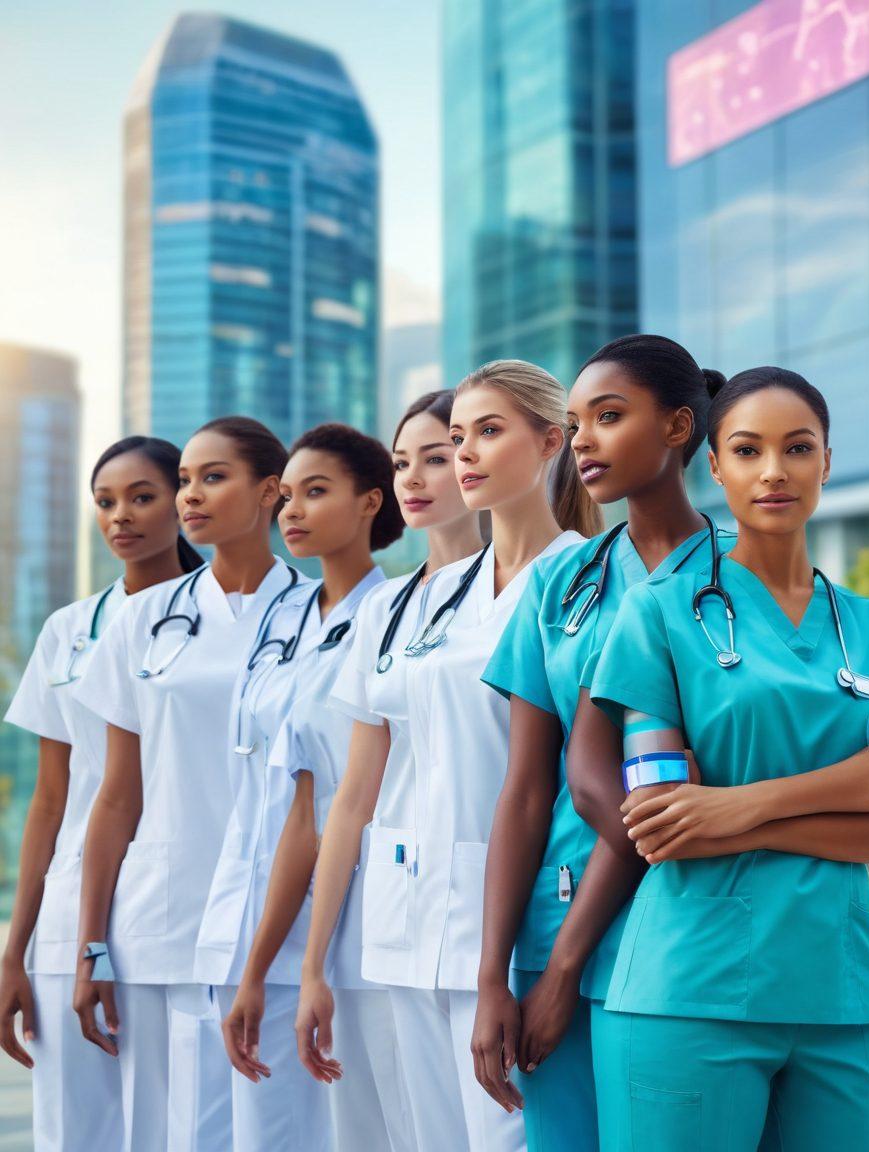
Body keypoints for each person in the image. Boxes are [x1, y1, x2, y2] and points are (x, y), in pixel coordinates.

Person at [588, 368, 869, 1150]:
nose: (774, 472)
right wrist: (856, 786)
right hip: (688, 990)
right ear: (714, 466)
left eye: (797, 449)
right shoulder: (658, 612)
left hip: (844, 998)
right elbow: (660, 824)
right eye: (747, 449)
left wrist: (735, 806)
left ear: (827, 461)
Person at [297, 359, 591, 1151]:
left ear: (551, 442)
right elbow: (356, 795)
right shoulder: (422, 598)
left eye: (484, 434)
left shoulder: (586, 581)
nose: (462, 455)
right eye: (455, 437)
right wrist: (317, 962)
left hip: (517, 923)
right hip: (400, 925)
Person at [473, 335, 734, 1151]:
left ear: (679, 427)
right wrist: (494, 979)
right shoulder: (559, 584)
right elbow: (524, 791)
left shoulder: (747, 579)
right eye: (576, 422)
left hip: (696, 931)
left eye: (609, 417)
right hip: (554, 937)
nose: (583, 440)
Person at [234, 390, 482, 1149]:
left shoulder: (530, 587)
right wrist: (308, 967)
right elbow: (333, 804)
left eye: (436, 458)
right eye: (405, 460)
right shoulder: (384, 614)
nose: (418, 477)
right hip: (372, 925)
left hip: (472, 913)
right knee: (385, 1133)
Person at [71, 417, 296, 1152]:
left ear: (271, 492)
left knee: (284, 1132)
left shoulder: (324, 614)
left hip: (282, 923)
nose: (191, 495)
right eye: (187, 480)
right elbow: (115, 797)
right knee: (162, 1136)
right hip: (160, 924)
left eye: (214, 477)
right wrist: (91, 948)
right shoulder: (139, 622)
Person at [0, 437, 203, 1152]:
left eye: (143, 497)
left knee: (172, 1128)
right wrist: (13, 953)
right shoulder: (67, 631)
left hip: (176, 908)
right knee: (71, 1133)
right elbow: (50, 801)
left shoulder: (224, 624)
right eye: (106, 502)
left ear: (182, 502)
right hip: (67, 918)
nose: (122, 517)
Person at [211, 423, 400, 1152]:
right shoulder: (286, 619)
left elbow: (332, 808)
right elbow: (292, 801)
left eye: (315, 493)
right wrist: (255, 967)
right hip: (272, 913)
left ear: (368, 503)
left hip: (351, 923)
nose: (290, 510)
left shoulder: (390, 619)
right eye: (286, 495)